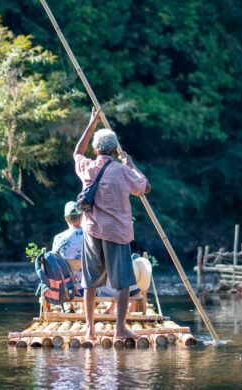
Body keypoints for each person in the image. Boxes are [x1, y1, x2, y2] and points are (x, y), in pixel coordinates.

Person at [74, 108, 151, 341]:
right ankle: (119, 329)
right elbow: (145, 187)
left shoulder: (87, 168)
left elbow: (77, 151)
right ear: (114, 150)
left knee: (90, 281)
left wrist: (91, 125)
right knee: (122, 283)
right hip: (117, 234)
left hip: (92, 231)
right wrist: (131, 164)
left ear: (96, 149)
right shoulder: (122, 171)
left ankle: (90, 328)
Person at [51, 201, 84, 294]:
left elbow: (54, 261)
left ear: (66, 218)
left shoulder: (58, 238)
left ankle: (69, 305)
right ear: (82, 216)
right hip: (88, 287)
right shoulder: (91, 237)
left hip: (66, 287)